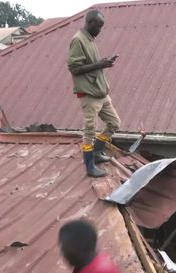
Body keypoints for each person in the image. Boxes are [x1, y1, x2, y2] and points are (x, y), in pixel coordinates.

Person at [68, 10, 120, 178]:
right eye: (98, 26)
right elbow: (74, 68)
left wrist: (103, 63)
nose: (100, 30)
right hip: (89, 94)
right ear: (89, 23)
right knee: (90, 130)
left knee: (113, 123)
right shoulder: (78, 40)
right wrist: (100, 65)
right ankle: (89, 165)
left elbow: (93, 64)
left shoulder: (90, 40)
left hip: (101, 92)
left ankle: (97, 152)